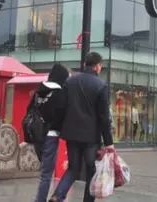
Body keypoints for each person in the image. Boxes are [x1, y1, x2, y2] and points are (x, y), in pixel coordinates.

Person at [50, 52, 114, 202]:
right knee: (91, 169)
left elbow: (61, 107)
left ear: (85, 64)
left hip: (71, 134)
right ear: (97, 66)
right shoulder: (101, 85)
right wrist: (109, 142)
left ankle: (57, 196)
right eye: (100, 66)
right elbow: (104, 117)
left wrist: (59, 128)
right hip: (91, 137)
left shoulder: (70, 81)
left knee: (73, 168)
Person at [32, 63, 69, 202]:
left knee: (44, 172)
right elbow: (60, 114)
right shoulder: (59, 93)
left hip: (38, 134)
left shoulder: (39, 90)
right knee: (47, 174)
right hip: (52, 135)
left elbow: (31, 110)